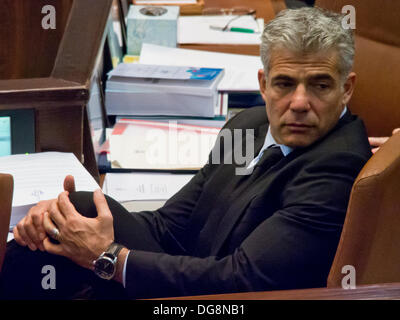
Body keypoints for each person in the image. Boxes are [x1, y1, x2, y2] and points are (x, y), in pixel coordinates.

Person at [0, 7, 372, 299]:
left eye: (320, 85)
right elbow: (170, 227)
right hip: (193, 273)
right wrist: (64, 218)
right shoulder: (248, 127)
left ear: (346, 88)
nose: (300, 102)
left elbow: (241, 281)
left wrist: (108, 257)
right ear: (263, 84)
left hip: (218, 297)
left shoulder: (336, 168)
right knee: (77, 210)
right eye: (285, 84)